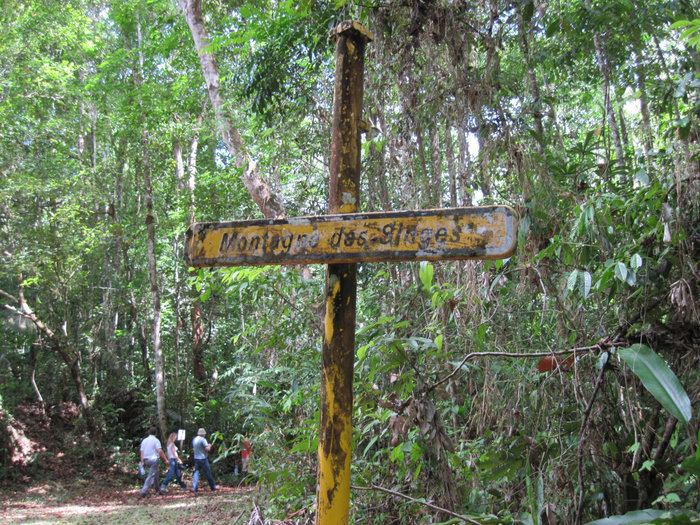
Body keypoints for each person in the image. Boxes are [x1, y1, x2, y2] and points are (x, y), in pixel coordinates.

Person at [139, 426, 168, 497]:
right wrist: (166, 459)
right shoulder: (156, 440)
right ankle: (143, 491)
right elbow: (160, 451)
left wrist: (142, 461)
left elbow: (141, 451)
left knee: (155, 474)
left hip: (146, 459)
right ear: (156, 433)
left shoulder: (144, 440)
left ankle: (158, 490)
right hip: (153, 459)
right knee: (151, 476)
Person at [191, 427, 217, 492]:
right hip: (202, 458)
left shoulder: (194, 439)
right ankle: (212, 486)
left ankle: (194, 488)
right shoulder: (203, 439)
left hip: (196, 458)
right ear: (203, 434)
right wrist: (210, 446)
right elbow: (207, 449)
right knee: (208, 472)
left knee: (196, 472)